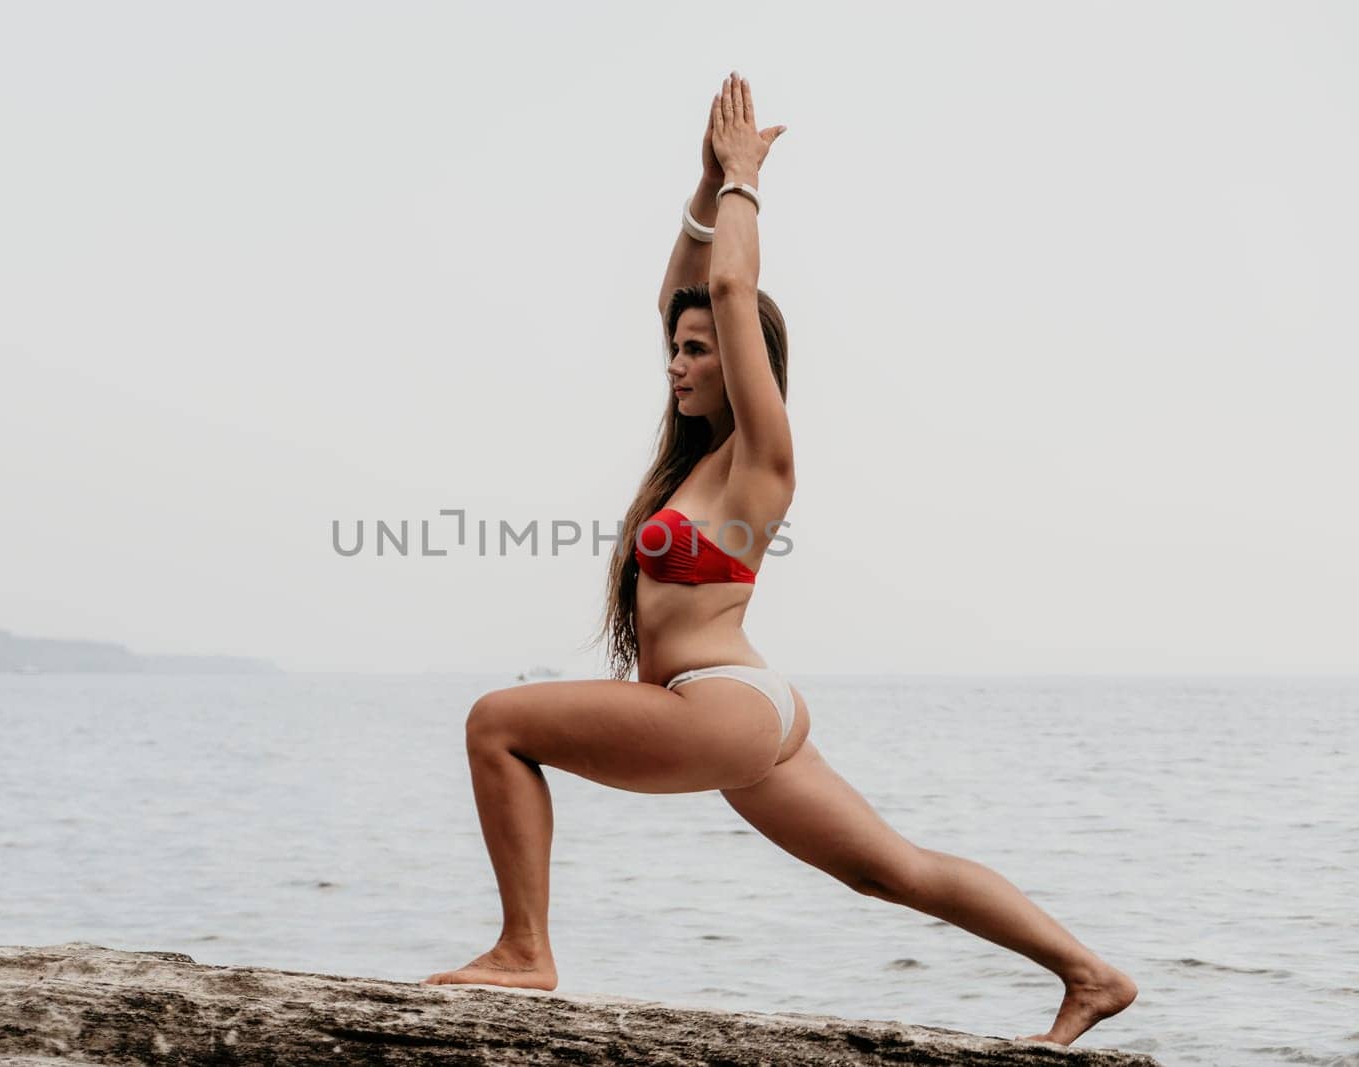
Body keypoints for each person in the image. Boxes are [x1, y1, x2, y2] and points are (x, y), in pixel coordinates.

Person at [423, 71, 1137, 1048]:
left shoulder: (761, 456)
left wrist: (746, 184)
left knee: (496, 723)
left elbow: (726, 287)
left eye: (697, 352)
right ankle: (1091, 972)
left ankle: (523, 949)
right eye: (672, 350)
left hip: (716, 701)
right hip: (755, 712)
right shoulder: (694, 461)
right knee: (888, 866)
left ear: (743, 358)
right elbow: (693, 285)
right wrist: (702, 179)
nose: (676, 364)